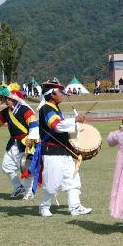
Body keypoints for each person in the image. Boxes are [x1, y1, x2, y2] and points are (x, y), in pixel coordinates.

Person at [35, 79, 92, 217]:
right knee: (52, 183)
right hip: (52, 152)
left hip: (64, 151)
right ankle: (44, 206)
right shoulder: (46, 109)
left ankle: (75, 207)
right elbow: (56, 125)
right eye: (59, 92)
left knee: (72, 179)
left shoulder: (54, 108)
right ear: (52, 95)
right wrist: (75, 120)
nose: (62, 94)